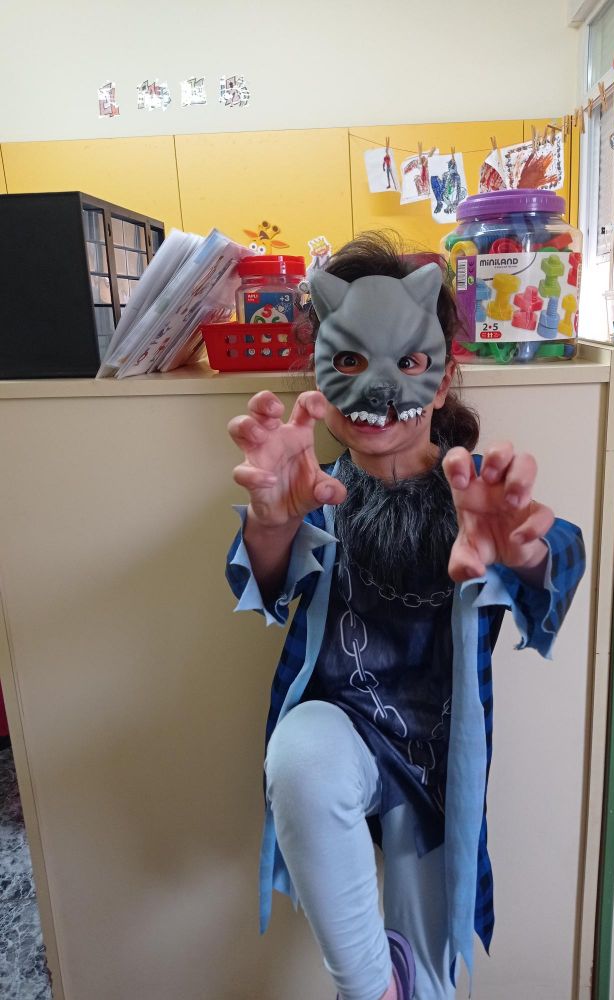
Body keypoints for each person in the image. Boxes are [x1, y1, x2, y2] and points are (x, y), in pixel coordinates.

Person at [226, 233, 585, 1000]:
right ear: (319, 377)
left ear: (444, 375)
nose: (378, 389)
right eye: (349, 361)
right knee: (301, 761)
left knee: (430, 969)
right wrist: (272, 521)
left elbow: (553, 565)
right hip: (343, 732)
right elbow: (266, 588)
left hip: (438, 760)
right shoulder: (315, 488)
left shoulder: (475, 492)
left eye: (408, 360)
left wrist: (522, 551)